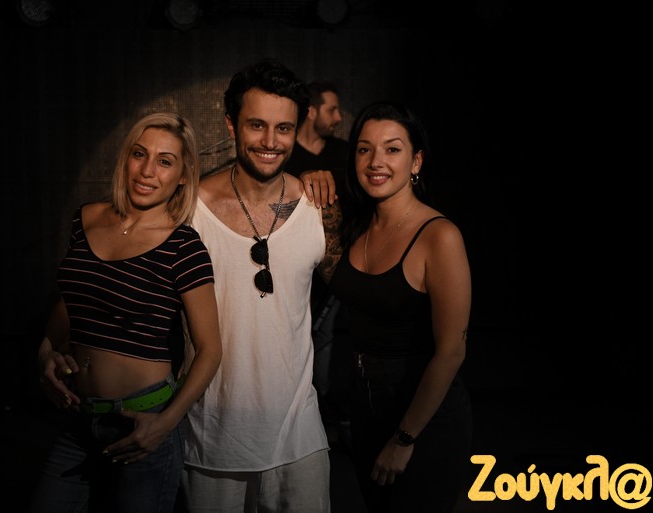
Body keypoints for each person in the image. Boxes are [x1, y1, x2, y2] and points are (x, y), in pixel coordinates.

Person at [30, 112, 223, 513]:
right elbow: (72, 302)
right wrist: (46, 350)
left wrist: (165, 424)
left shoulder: (184, 246)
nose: (147, 171)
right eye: (139, 154)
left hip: (143, 420)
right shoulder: (86, 218)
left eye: (165, 161)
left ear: (183, 175)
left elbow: (209, 350)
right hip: (77, 415)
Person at [179, 58, 342, 513]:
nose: (271, 142)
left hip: (299, 436)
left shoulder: (318, 207)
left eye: (283, 128)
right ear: (231, 125)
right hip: (210, 435)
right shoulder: (188, 208)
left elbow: (364, 293)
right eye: (257, 125)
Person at [326, 101, 473, 513]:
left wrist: (405, 438)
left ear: (416, 161)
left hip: (423, 417)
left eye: (392, 149)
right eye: (364, 149)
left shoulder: (439, 236)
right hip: (364, 406)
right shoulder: (355, 226)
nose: (376, 161)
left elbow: (452, 352)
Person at [283, 80, 352, 437]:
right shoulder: (286, 155)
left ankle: (326, 416)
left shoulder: (344, 153)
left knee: (327, 340)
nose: (339, 118)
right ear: (310, 111)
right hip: (291, 272)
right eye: (332, 109)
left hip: (337, 269)